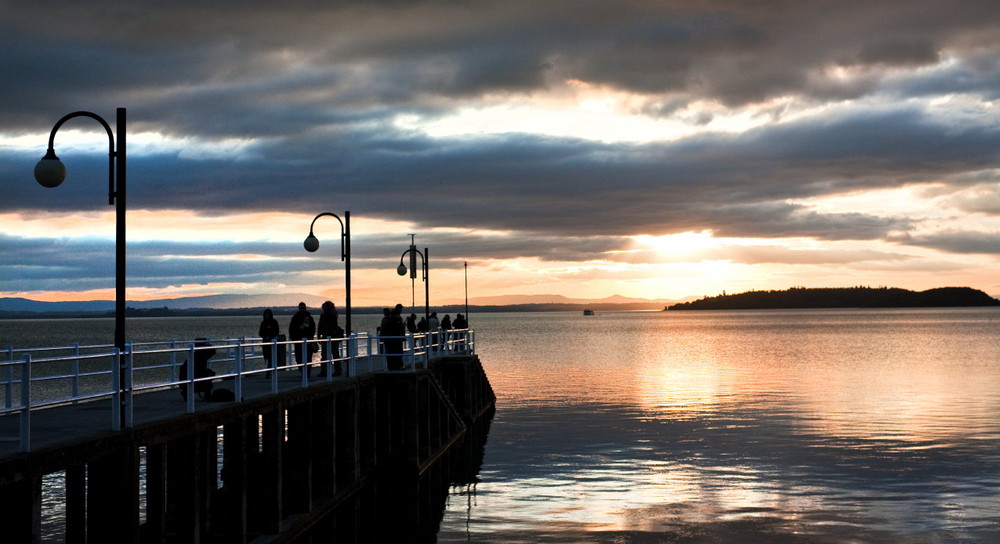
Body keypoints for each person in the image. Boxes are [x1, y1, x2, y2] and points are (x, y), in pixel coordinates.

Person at [317, 301, 344, 376]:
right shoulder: (325, 315)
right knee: (326, 354)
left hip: (332, 335)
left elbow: (322, 325)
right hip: (326, 336)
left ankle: (336, 370)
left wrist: (319, 334)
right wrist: (319, 335)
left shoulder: (332, 314)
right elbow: (320, 325)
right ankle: (325, 371)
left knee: (334, 353)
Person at [288, 302, 316, 371]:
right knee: (298, 357)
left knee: (308, 357)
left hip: (308, 340)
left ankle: (307, 372)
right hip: (298, 340)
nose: (302, 309)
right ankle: (302, 370)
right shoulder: (295, 318)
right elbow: (291, 329)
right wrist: (293, 337)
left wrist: (310, 335)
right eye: (301, 308)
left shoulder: (309, 318)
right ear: (299, 308)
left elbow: (313, 328)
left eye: (303, 308)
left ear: (305, 308)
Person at [383, 304, 406, 370]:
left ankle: (397, 365)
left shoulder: (397, 317)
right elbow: (393, 327)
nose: (401, 310)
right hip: (393, 339)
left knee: (397, 352)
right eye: (400, 309)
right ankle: (393, 366)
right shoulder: (393, 318)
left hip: (396, 338)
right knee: (393, 352)